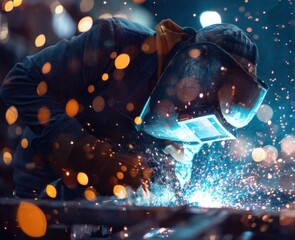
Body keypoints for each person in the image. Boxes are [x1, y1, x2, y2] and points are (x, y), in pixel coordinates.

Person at [0, 17, 268, 201]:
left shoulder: (202, 108)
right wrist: (88, 153)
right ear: (193, 63)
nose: (195, 107)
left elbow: (180, 160)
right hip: (44, 193)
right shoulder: (117, 43)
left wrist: (169, 175)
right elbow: (18, 82)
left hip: (111, 208)